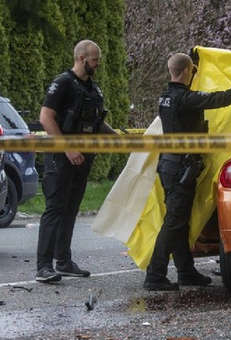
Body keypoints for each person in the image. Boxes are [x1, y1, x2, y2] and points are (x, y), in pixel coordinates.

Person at [144, 52, 231, 291]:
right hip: (181, 167)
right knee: (173, 222)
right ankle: (155, 274)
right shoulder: (186, 99)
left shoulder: (166, 97)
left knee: (179, 221)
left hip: (169, 165)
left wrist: (193, 64)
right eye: (193, 71)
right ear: (187, 72)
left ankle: (186, 271)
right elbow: (223, 98)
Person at [36, 40, 116, 283]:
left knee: (70, 210)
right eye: (95, 60)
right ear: (82, 59)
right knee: (55, 209)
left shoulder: (93, 89)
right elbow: (46, 117)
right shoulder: (63, 84)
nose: (97, 64)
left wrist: (121, 141)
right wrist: (67, 148)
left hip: (83, 158)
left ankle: (63, 261)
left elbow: (97, 123)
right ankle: (43, 267)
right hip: (61, 158)